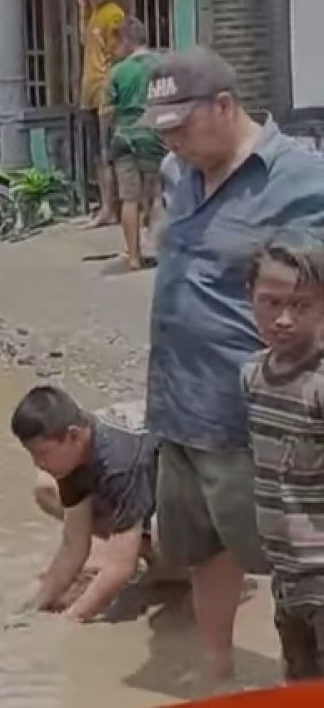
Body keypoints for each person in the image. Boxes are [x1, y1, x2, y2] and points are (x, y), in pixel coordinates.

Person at [140, 45, 324, 680]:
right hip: (177, 402)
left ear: (225, 106)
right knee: (201, 544)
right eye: (163, 132)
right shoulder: (176, 172)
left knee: (297, 554)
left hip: (260, 412)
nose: (173, 143)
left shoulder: (301, 176)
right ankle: (217, 662)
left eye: (182, 127)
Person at [241, 230, 324, 681]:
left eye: (302, 305)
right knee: (298, 678)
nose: (285, 319)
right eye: (271, 303)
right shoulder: (252, 375)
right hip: (286, 572)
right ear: (249, 297)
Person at [12, 386, 161, 622]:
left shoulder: (119, 463)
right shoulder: (74, 456)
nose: (38, 463)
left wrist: (72, 619)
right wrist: (34, 607)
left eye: (42, 453)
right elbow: (73, 547)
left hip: (201, 493)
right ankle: (136, 542)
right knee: (46, 487)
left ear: (74, 436)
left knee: (169, 569)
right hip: (149, 490)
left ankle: (162, 557)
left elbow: (122, 568)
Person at [105, 17, 166, 270]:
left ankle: (133, 256)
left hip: (124, 139)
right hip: (155, 137)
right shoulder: (162, 65)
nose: (116, 48)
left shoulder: (117, 72)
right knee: (157, 198)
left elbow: (106, 111)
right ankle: (158, 250)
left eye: (118, 42)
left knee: (129, 199)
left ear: (127, 42)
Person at [73, 0, 126, 227]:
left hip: (104, 90)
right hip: (88, 92)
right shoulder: (92, 15)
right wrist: (82, 9)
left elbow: (117, 52)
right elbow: (85, 40)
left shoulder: (113, 14)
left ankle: (112, 207)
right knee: (96, 153)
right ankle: (106, 206)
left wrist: (110, 88)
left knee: (108, 152)